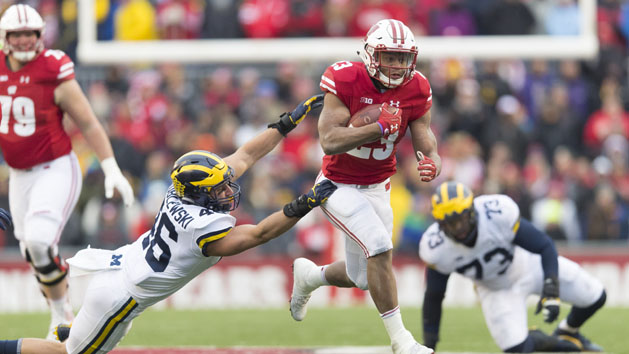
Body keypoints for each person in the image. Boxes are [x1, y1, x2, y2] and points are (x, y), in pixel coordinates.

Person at [0, 94, 336, 354]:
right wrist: (307, 201)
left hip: (115, 269)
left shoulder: (178, 195)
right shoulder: (201, 228)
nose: (225, 189)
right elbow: (260, 233)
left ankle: (73, 330)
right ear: (199, 192)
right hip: (121, 295)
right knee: (67, 353)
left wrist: (285, 124)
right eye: (217, 187)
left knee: (72, 342)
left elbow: (245, 156)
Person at [289, 19, 440, 354]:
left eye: (403, 58)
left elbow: (425, 141)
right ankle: (402, 340)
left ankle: (310, 277)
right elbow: (329, 140)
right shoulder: (345, 78)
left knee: (362, 277)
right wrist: (377, 129)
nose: (398, 65)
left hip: (377, 186)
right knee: (379, 246)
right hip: (336, 184)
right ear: (372, 54)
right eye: (391, 56)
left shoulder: (416, 87)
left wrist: (432, 161)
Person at [0, 4, 135, 340]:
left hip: (54, 168)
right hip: (18, 175)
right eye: (16, 34)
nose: (23, 40)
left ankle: (63, 314)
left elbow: (87, 120)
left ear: (40, 35)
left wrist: (110, 168)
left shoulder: (52, 68)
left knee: (39, 241)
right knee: (34, 253)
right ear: (5, 37)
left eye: (29, 33)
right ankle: (61, 312)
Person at [419, 181, 606, 353]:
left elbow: (544, 245)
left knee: (596, 296)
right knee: (516, 348)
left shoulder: (496, 213)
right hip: (495, 289)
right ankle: (542, 340)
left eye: (461, 219)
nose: (458, 228)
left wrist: (551, 288)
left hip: (527, 265)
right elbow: (434, 296)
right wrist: (429, 345)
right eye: (450, 224)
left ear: (472, 211)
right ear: (440, 224)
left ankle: (568, 331)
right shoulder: (436, 247)